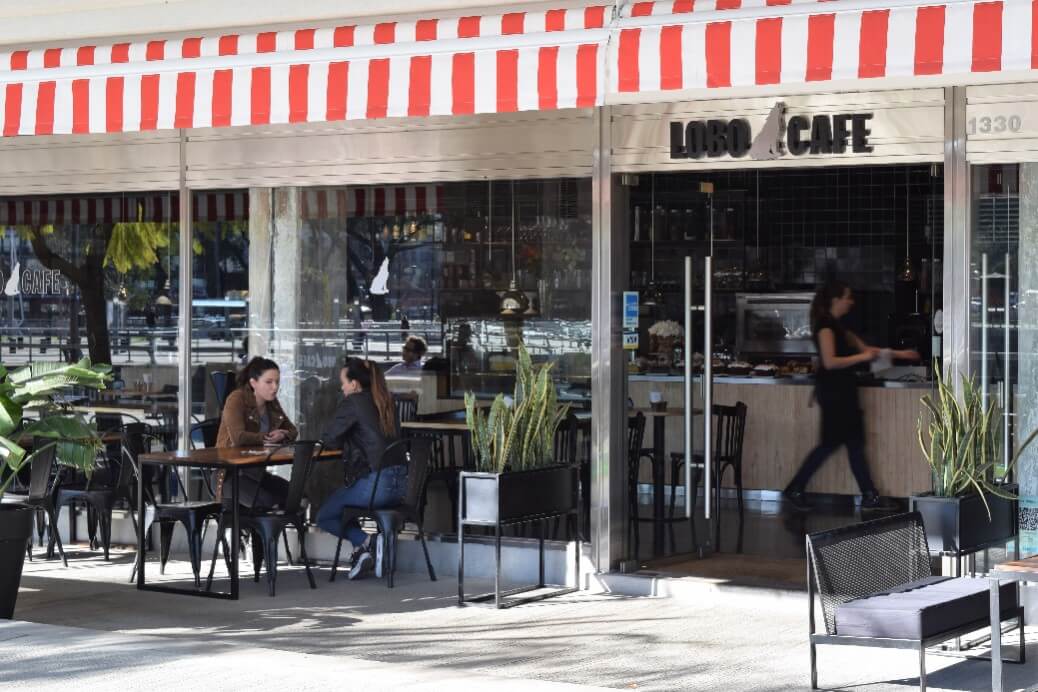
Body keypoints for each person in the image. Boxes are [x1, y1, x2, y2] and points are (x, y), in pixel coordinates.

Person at [783, 281, 918, 512]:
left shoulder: (840, 328)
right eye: (848, 297)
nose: (852, 302)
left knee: (851, 444)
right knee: (834, 445)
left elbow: (870, 352)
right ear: (836, 300)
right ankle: (798, 488)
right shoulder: (826, 326)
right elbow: (830, 361)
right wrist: (861, 358)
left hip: (842, 392)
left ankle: (868, 495)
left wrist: (900, 353)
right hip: (835, 394)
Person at [316, 357, 402, 579]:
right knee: (345, 505)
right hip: (403, 485)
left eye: (343, 383)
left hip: (376, 486)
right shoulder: (385, 401)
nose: (342, 388)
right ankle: (363, 551)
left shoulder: (353, 402)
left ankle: (367, 541)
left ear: (354, 384)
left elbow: (329, 438)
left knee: (325, 515)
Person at [216, 356, 298, 508]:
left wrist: (283, 434)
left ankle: (272, 529)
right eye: (269, 382)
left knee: (297, 496)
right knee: (268, 503)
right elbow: (238, 437)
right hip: (231, 474)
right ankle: (262, 530)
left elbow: (293, 430)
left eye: (277, 382)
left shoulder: (271, 403)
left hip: (255, 472)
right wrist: (267, 438)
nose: (275, 387)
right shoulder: (236, 399)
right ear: (253, 383)